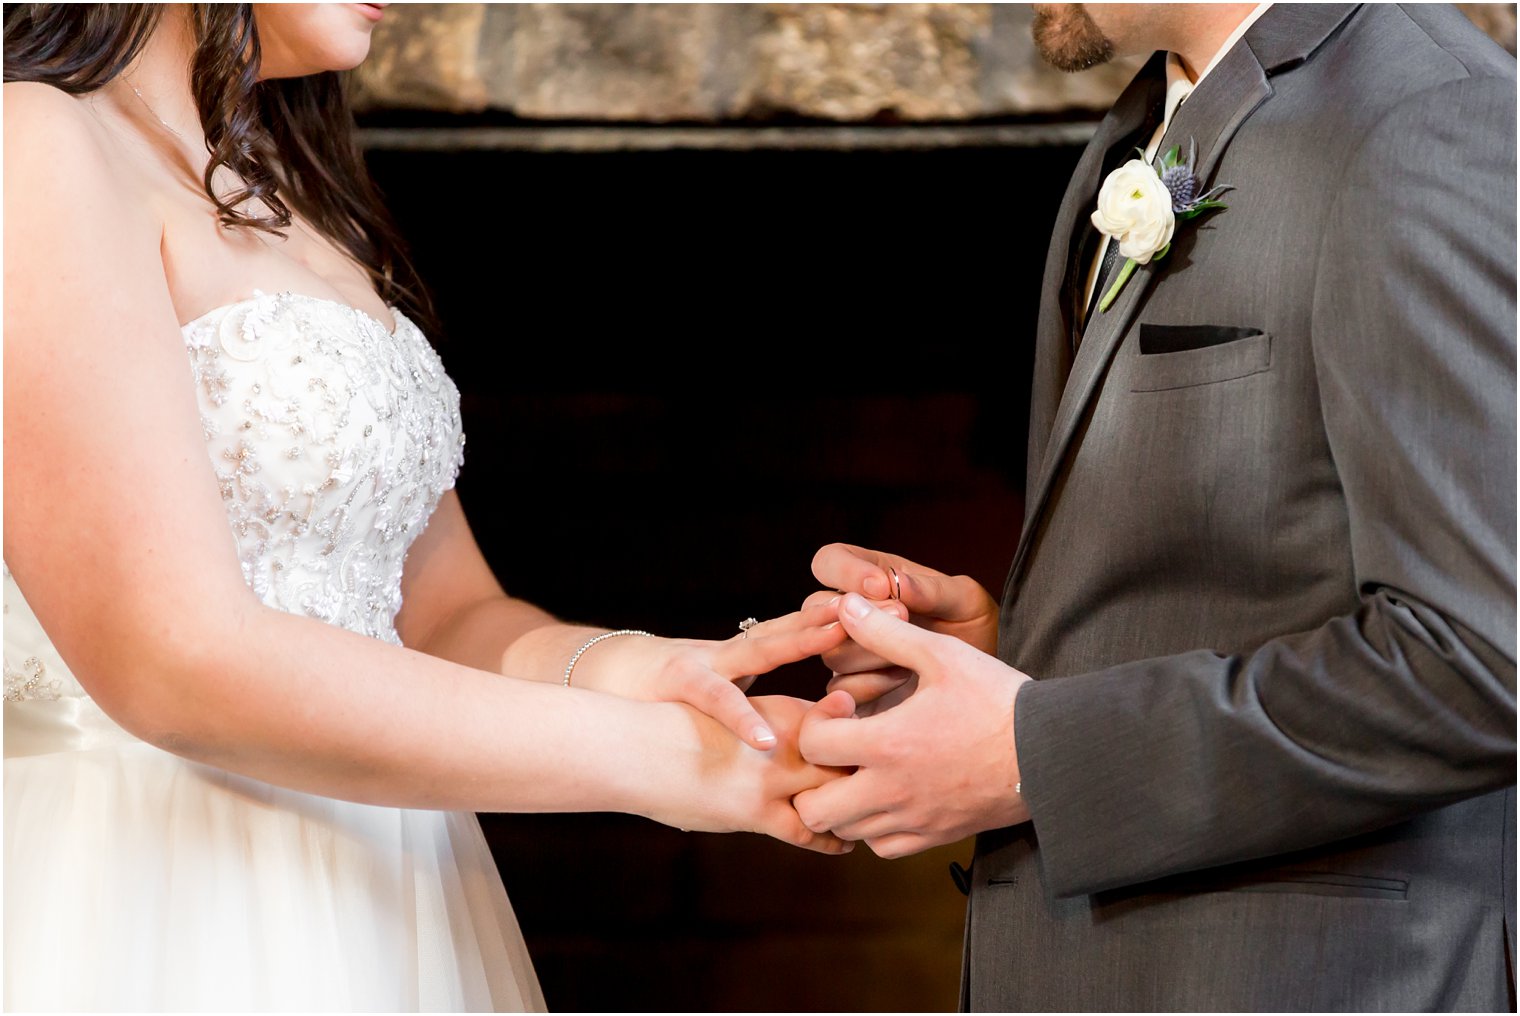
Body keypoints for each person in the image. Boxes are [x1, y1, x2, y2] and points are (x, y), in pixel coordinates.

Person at [2, 4, 851, 1010]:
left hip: (385, 886)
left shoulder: (289, 198)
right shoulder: (32, 140)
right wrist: (663, 762)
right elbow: (170, 659)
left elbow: (441, 614)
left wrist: (648, 671)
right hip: (149, 883)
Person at [794, 3, 1517, 1010]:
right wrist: (1008, 667)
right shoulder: (1150, 118)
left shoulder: (1430, 120)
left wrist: (1034, 752)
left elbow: (1486, 659)